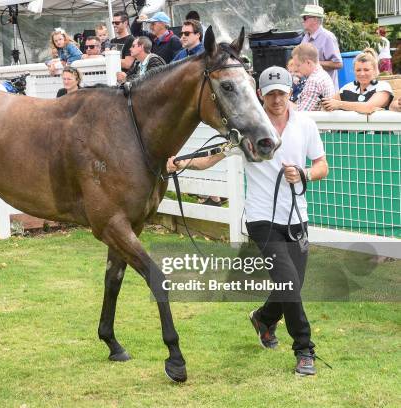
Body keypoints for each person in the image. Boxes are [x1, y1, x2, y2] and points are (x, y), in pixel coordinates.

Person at [167, 65, 329, 376]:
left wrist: (305, 173)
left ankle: (264, 319)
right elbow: (211, 157)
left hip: (296, 217)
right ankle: (304, 350)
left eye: (281, 93)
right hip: (261, 219)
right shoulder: (247, 129)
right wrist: (180, 162)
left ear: (289, 92)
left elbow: (322, 165)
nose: (277, 99)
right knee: (290, 284)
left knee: (291, 287)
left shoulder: (305, 124)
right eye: (270, 95)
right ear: (260, 96)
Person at [322, 49, 394, 114]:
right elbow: (330, 104)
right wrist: (327, 104)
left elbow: (368, 108)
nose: (362, 74)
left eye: (366, 70)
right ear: (353, 71)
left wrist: (339, 104)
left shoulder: (383, 87)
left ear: (375, 70)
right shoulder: (347, 88)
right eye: (358, 70)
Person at [300, 4, 342, 90]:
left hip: (325, 92)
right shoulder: (305, 37)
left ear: (315, 19)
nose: (302, 21)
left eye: (305, 18)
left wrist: (313, 64)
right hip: (309, 89)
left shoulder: (328, 37)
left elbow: (338, 64)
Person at [292, 43, 335, 111]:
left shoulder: (314, 81)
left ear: (308, 63)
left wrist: (286, 103)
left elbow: (302, 113)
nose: (296, 69)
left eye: (298, 65)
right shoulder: (323, 75)